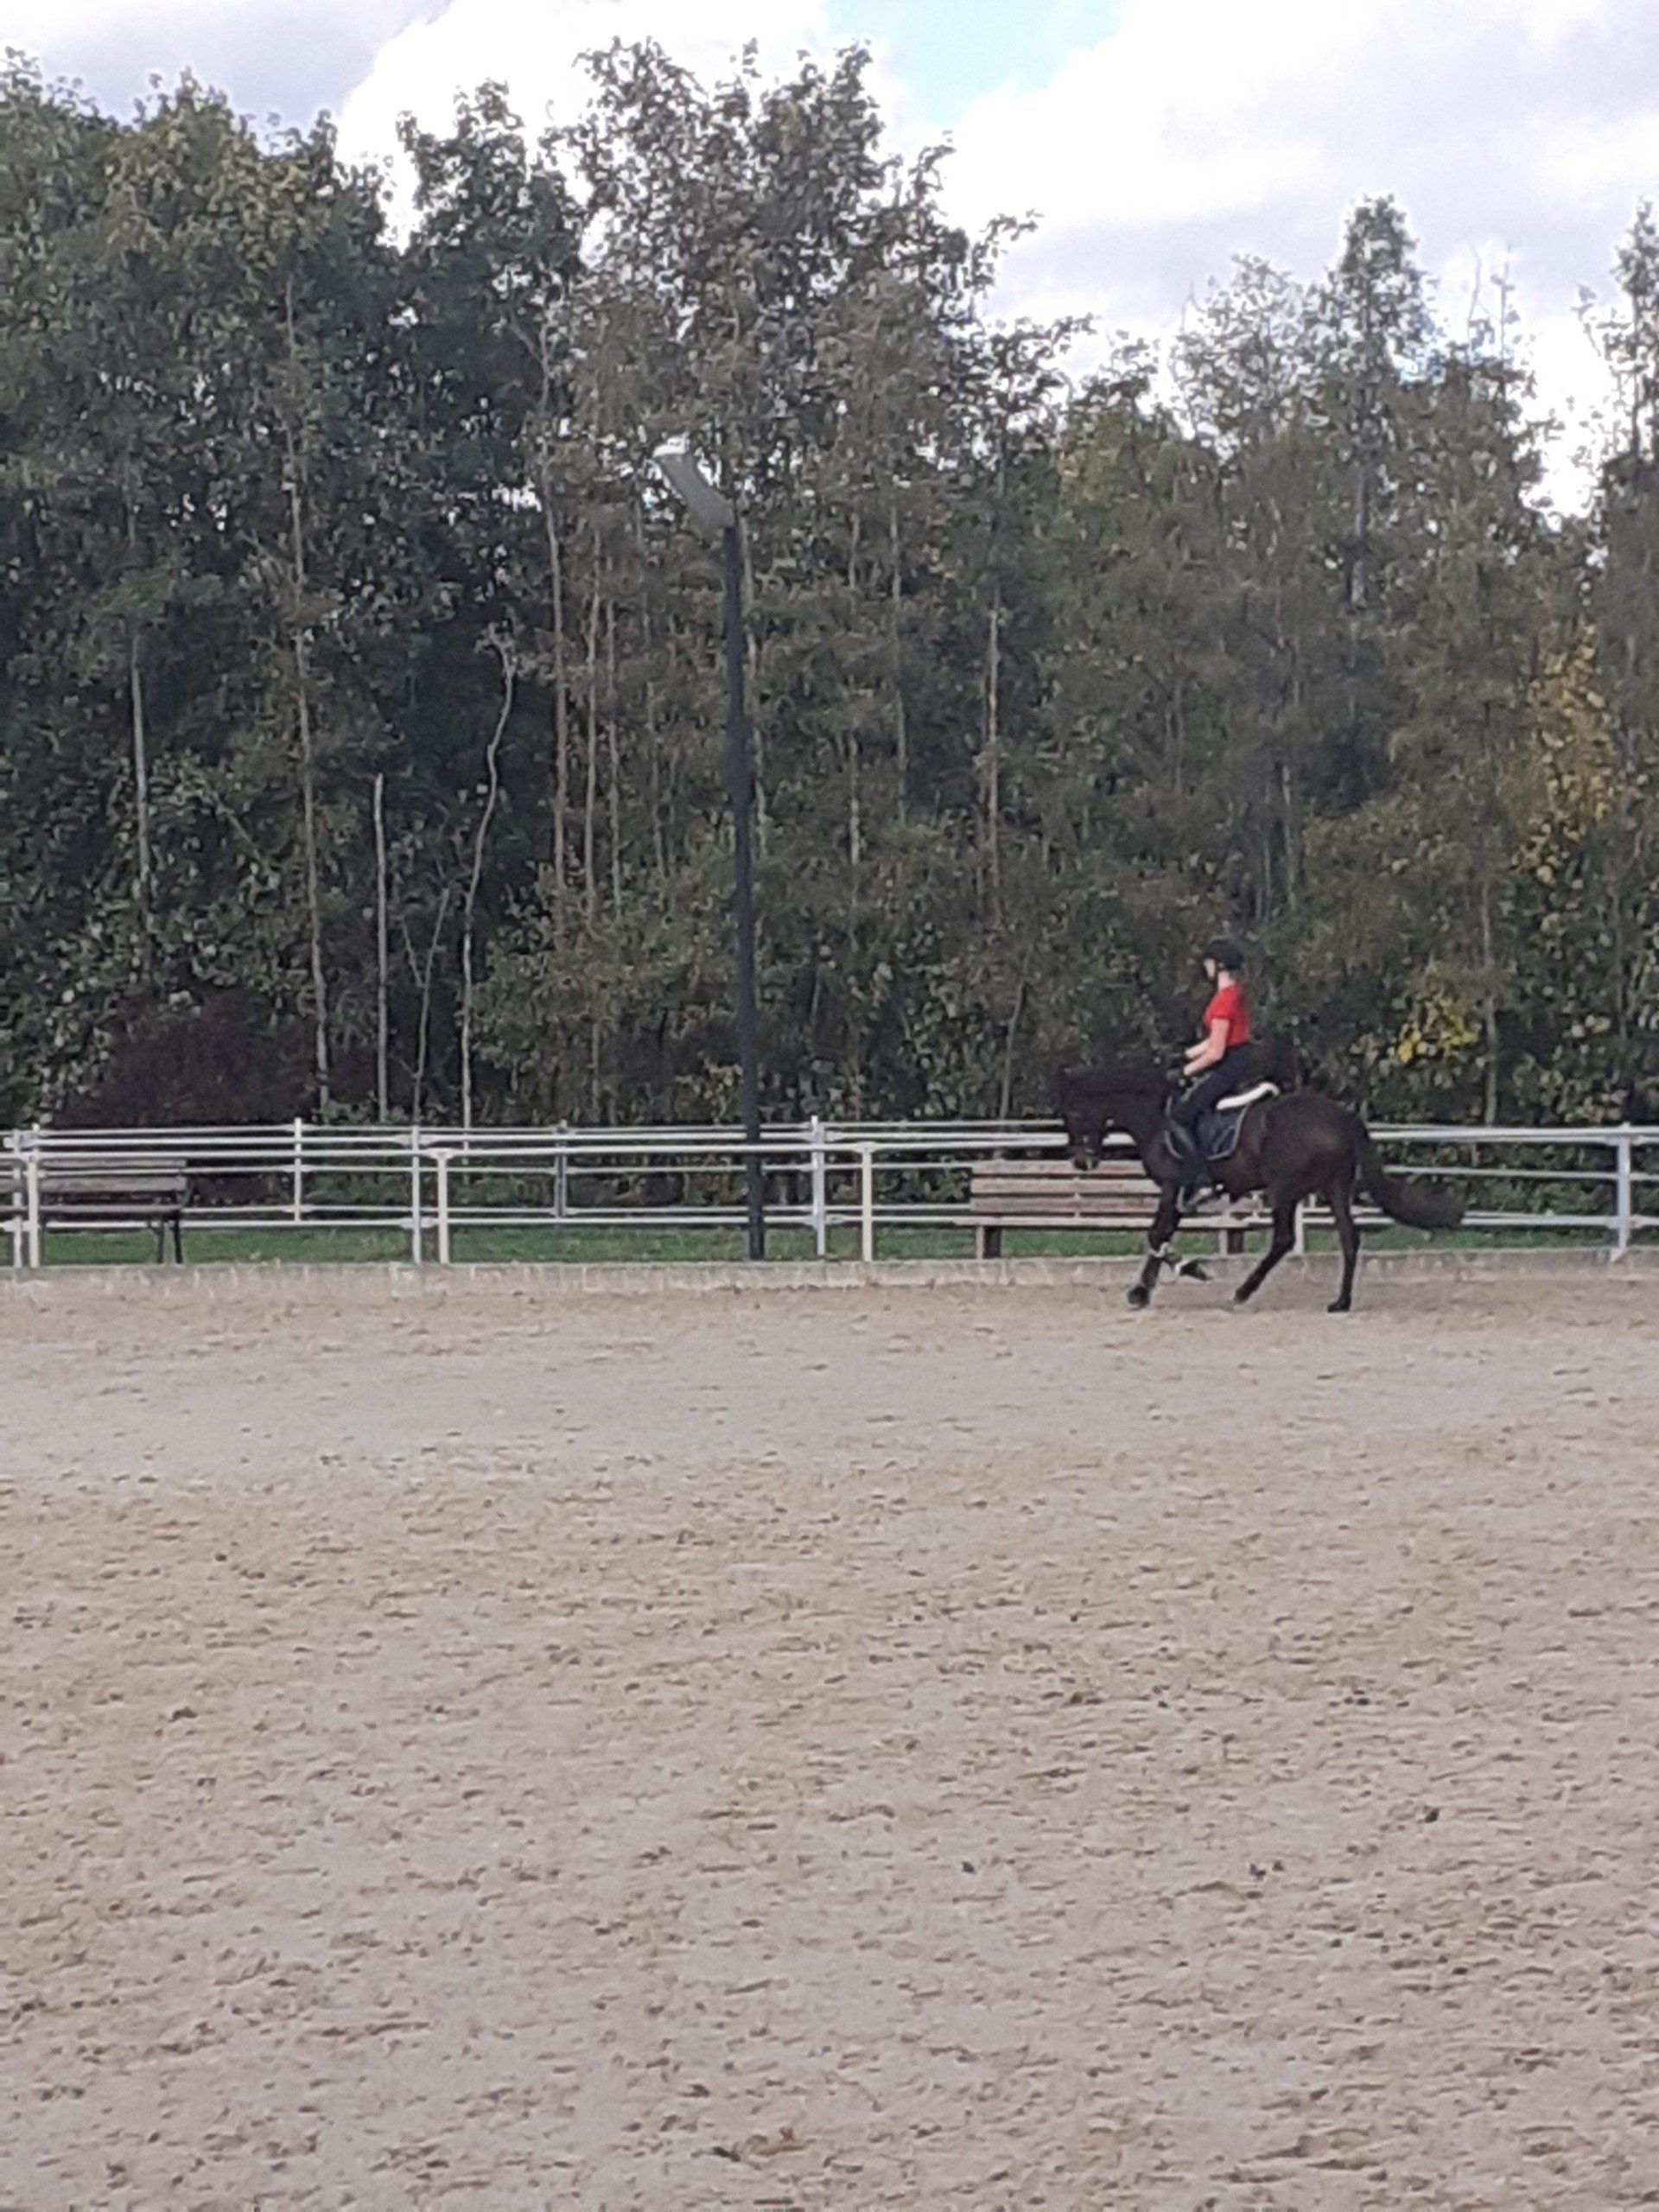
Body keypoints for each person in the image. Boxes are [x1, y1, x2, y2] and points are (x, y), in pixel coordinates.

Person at [1167, 938, 1256, 1194]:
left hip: (1228, 1066)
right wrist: (1185, 1055)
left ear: (1218, 966)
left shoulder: (1223, 1001)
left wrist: (1183, 1072)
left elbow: (1216, 1052)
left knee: (1181, 1114)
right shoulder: (1236, 994)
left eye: (1208, 963)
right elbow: (1216, 1040)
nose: (1205, 967)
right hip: (1241, 1059)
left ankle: (1201, 1177)